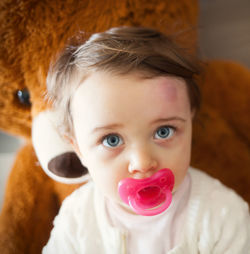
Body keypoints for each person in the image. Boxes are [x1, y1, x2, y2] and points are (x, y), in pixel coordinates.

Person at [43, 27, 250, 253]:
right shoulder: (77, 219)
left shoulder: (221, 214)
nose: (142, 162)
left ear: (190, 121)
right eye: (112, 140)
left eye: (163, 131)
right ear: (79, 149)